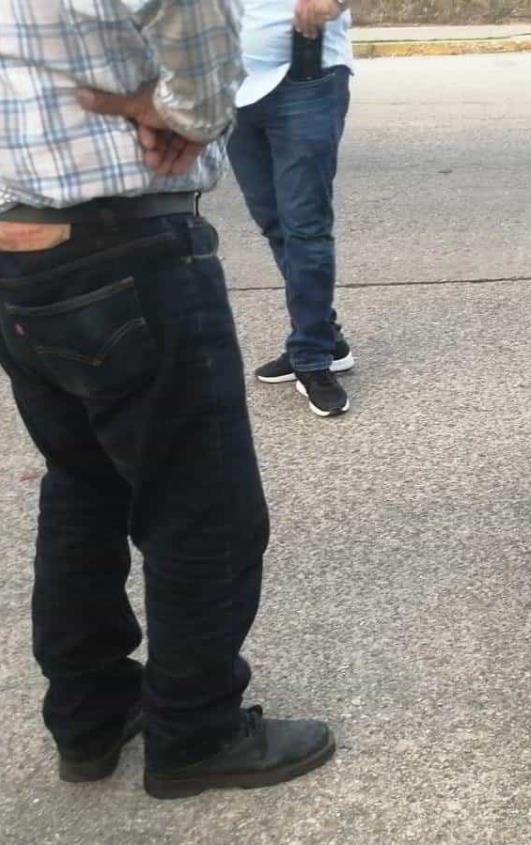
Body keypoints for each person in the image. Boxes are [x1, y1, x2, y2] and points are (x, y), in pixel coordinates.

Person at [0, 0, 333, 798]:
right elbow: (190, 27)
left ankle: (90, 715)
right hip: (122, 244)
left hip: (18, 247)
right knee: (203, 508)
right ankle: (197, 730)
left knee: (83, 484)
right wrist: (189, 113)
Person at [228, 0, 356, 418]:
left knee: (305, 227)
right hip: (231, 86)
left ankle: (311, 357)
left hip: (304, 76)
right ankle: (325, 336)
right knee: (274, 222)